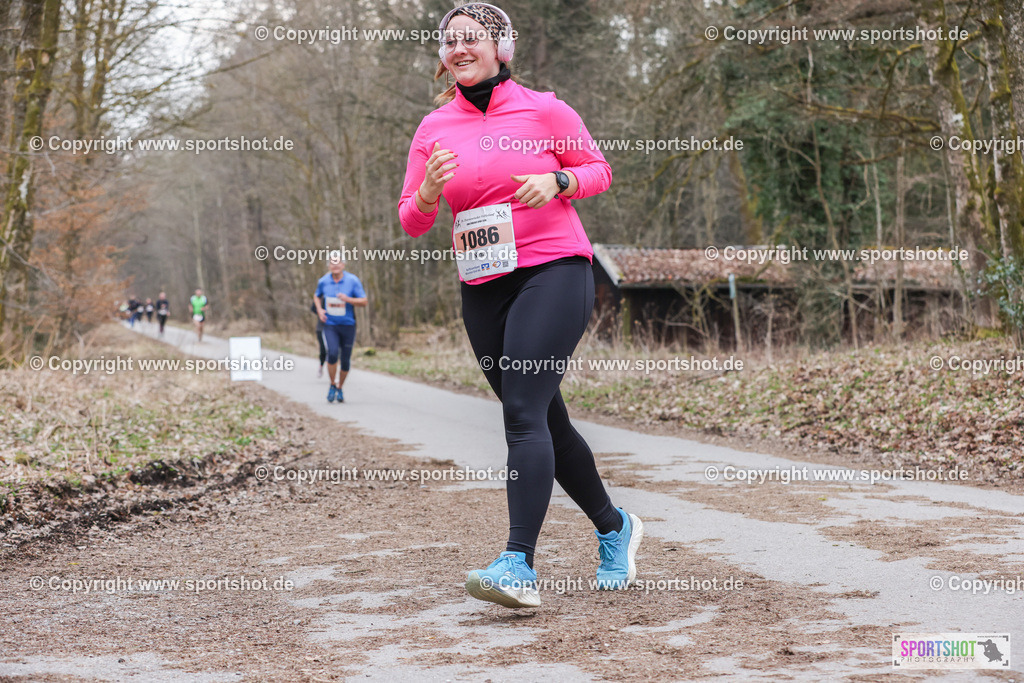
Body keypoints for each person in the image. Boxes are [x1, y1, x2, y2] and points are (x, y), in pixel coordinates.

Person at [398, 3, 642, 609]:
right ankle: (615, 528)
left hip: (554, 268)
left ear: (500, 47)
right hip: (483, 283)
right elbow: (412, 219)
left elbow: (599, 170)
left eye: (471, 38)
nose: (459, 48)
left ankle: (517, 564)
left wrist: (559, 181)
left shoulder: (544, 109)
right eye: (449, 41)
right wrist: (428, 191)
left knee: (523, 413)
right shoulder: (433, 127)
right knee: (544, 420)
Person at [313, 257, 366, 402]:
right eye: (332, 263)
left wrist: (348, 299)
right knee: (332, 353)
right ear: (328, 265)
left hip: (348, 325)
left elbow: (364, 301)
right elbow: (316, 296)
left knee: (345, 360)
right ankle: (332, 384)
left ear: (343, 264)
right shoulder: (323, 281)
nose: (335, 265)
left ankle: (340, 387)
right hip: (330, 325)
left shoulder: (353, 280)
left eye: (338, 262)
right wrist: (319, 310)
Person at [312, 298, 327, 378]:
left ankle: (335, 371)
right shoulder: (320, 296)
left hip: (336, 328)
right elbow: (313, 308)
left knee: (335, 352)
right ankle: (321, 366)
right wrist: (320, 310)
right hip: (321, 328)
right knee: (323, 350)